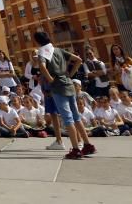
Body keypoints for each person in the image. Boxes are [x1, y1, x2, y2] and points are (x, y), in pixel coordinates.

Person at [32, 31, 93, 160]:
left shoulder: (42, 51)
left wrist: (50, 80)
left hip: (58, 87)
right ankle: (87, 145)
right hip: (69, 84)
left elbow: (42, 67)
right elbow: (79, 60)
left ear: (37, 41)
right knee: (76, 117)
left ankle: (76, 149)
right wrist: (70, 75)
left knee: (68, 118)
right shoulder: (58, 50)